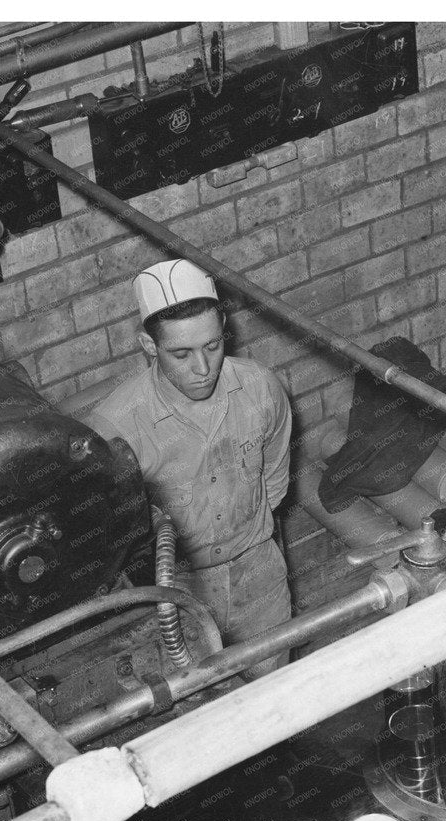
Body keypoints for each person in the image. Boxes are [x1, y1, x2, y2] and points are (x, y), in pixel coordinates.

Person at [87, 259, 293, 677]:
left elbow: (274, 478)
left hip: (260, 573)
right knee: (196, 703)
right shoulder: (116, 427)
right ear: (149, 345)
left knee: (275, 692)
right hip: (173, 594)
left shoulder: (260, 388)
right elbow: (105, 538)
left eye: (213, 346)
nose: (203, 368)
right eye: (181, 354)